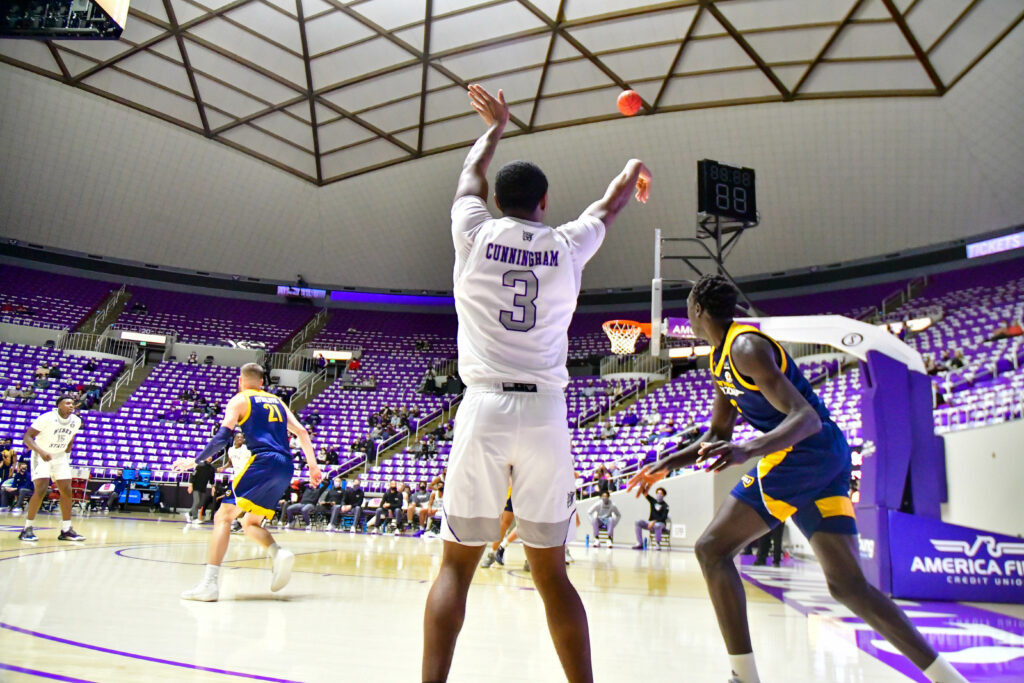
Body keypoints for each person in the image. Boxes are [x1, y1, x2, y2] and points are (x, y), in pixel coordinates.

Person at [628, 274, 968, 683]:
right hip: (825, 458)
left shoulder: (746, 346)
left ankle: (744, 676)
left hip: (804, 452)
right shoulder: (721, 358)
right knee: (848, 586)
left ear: (698, 309)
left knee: (711, 551)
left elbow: (803, 418)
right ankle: (949, 677)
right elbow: (718, 434)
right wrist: (668, 462)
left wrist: (749, 451)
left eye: (686, 305)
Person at [422, 82, 651, 683]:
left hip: (484, 405)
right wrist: (631, 167)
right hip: (547, 413)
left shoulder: (474, 231)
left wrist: (495, 129)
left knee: (455, 568)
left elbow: (469, 174)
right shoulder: (567, 244)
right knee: (552, 574)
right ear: (546, 203)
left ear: (497, 200)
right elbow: (610, 206)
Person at [172, 362, 322, 602]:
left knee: (223, 517)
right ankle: (278, 553)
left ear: (241, 381)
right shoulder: (278, 401)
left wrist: (196, 460)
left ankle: (210, 584)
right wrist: (313, 467)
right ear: (262, 382)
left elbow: (223, 437)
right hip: (285, 466)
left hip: (262, 461)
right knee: (250, 522)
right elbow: (302, 432)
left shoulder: (240, 399)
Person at [19, 395, 85, 542]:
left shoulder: (76, 421)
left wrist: (67, 455)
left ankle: (66, 529)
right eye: (67, 403)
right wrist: (41, 452)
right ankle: (27, 528)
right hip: (41, 453)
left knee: (67, 490)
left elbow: (71, 439)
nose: (71, 405)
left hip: (60, 456)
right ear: (59, 406)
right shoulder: (47, 418)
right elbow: (27, 437)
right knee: (41, 489)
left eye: (72, 403)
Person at [186, 459, 215, 524]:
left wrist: (213, 487)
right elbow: (193, 475)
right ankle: (194, 518)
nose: (210, 458)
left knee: (200, 503)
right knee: (197, 501)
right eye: (208, 456)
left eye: (211, 457)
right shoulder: (199, 465)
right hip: (196, 487)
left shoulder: (211, 468)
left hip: (203, 487)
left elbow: (212, 479)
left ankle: (189, 513)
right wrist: (190, 485)